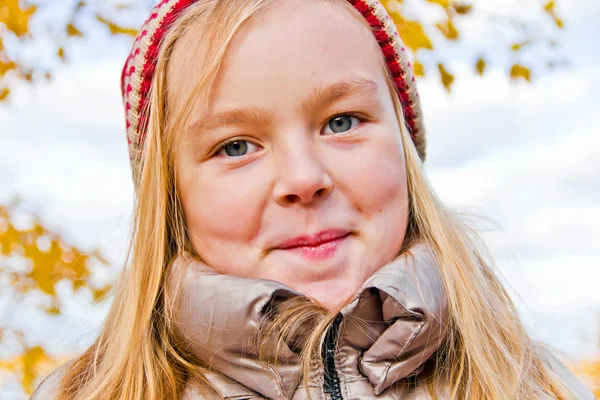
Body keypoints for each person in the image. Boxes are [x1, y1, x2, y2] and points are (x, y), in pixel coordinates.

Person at [31, 0, 594, 399]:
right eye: (236, 146)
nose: (303, 178)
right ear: (172, 199)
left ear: (403, 150)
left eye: (341, 121)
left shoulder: (529, 384)